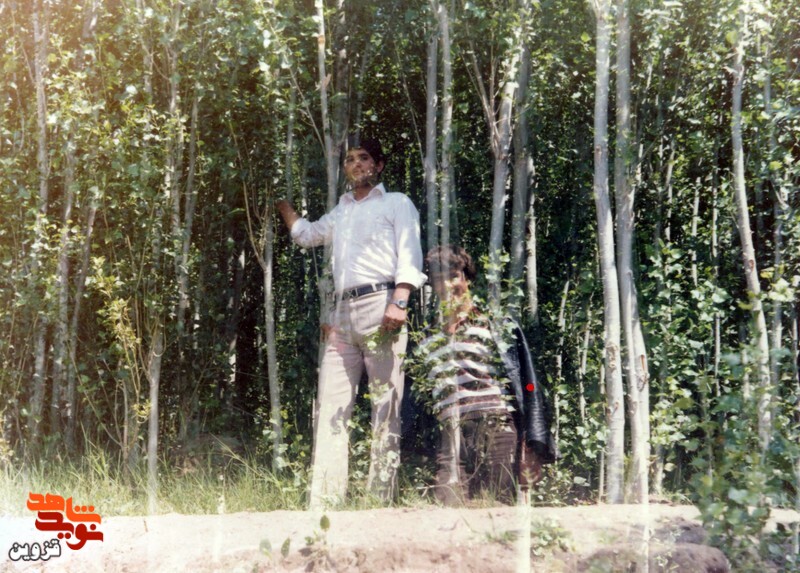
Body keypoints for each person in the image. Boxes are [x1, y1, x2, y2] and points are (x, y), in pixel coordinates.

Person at [276, 136, 425, 509]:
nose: (357, 164)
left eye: (364, 158)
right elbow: (307, 235)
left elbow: (410, 252)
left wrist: (400, 300)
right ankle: (325, 502)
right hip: (341, 313)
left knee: (385, 404)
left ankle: (378, 501)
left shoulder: (396, 203)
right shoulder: (340, 212)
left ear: (379, 165)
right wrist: (280, 205)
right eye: (350, 160)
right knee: (331, 404)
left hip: (382, 305)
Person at [410, 245, 557, 506]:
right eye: (439, 278)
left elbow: (528, 386)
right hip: (451, 432)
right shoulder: (427, 338)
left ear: (467, 278)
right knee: (449, 507)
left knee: (499, 506)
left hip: (496, 426)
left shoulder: (495, 324)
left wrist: (532, 444)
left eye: (453, 276)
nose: (448, 284)